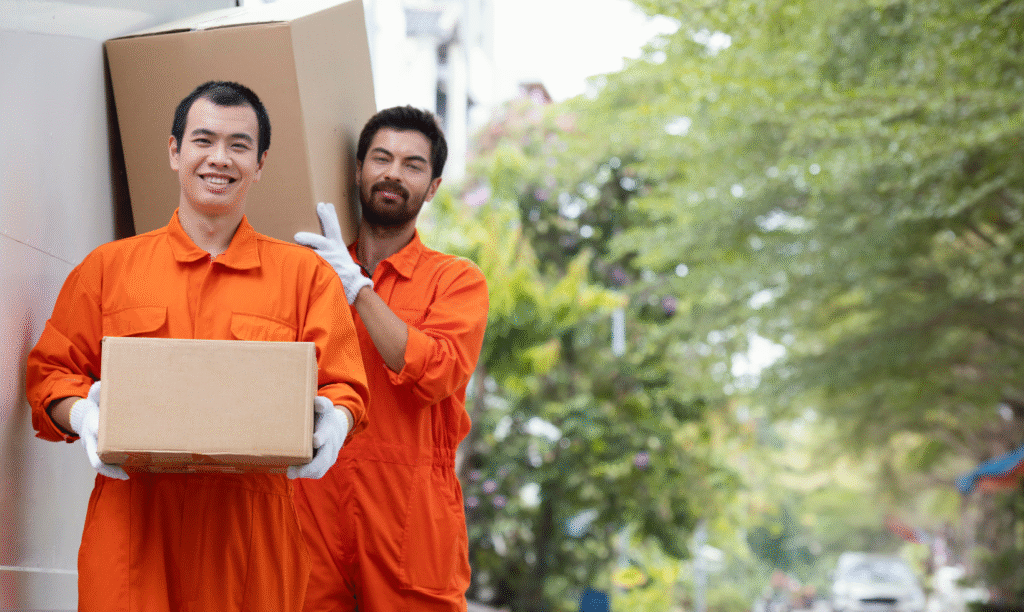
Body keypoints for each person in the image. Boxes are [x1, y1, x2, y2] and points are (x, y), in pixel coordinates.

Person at [25, 81, 370, 612]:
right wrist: (83, 415)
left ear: (260, 164)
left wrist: (337, 422)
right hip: (135, 534)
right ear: (174, 151)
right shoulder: (109, 270)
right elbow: (49, 374)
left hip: (250, 541)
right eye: (203, 140)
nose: (219, 159)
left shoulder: (304, 279)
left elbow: (345, 385)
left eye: (239, 145)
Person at [292, 106, 489, 611]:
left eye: (412, 164)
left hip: (411, 520)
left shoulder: (456, 281)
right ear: (357, 170)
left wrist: (357, 288)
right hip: (313, 508)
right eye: (381, 158)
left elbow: (438, 372)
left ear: (433, 186)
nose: (393, 173)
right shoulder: (309, 274)